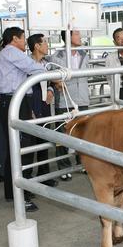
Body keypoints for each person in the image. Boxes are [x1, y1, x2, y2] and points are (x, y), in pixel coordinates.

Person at [0, 27, 45, 212]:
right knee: (23, 147)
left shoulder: (4, 55)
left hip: (12, 101)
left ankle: (13, 191)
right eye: (23, 39)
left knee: (16, 146)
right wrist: (52, 72)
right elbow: (33, 67)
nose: (25, 43)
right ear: (15, 39)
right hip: (14, 101)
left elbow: (3, 83)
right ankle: (20, 194)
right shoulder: (12, 52)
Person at [50, 30, 91, 180]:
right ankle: (64, 166)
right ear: (68, 37)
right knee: (63, 134)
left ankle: (82, 163)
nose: (80, 37)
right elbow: (52, 76)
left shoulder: (84, 54)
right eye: (77, 35)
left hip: (82, 98)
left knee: (84, 132)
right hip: (65, 100)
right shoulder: (57, 55)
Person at [26, 34, 58, 187]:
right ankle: (27, 179)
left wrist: (51, 90)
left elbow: (51, 81)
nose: (47, 45)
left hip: (44, 105)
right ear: (37, 46)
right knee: (30, 145)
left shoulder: (47, 63)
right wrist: (28, 109)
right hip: (32, 105)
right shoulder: (26, 63)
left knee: (44, 139)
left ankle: (44, 175)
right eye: (44, 42)